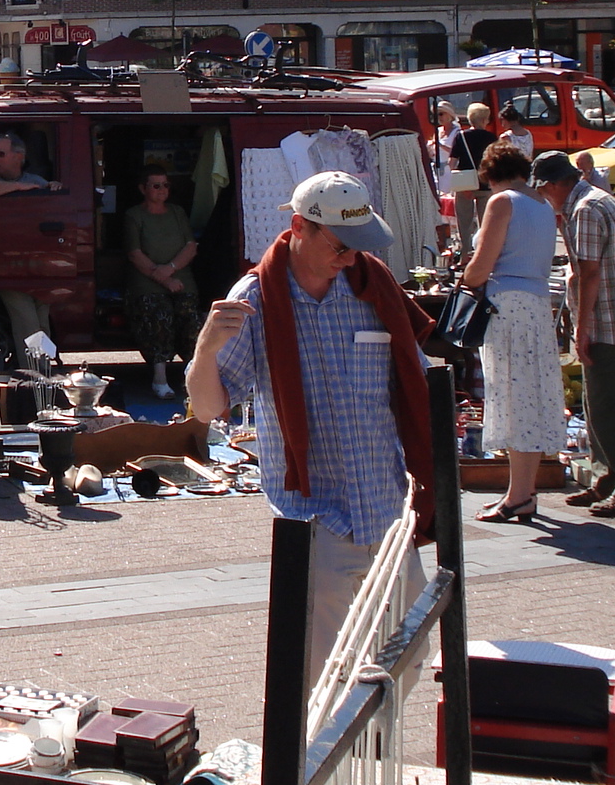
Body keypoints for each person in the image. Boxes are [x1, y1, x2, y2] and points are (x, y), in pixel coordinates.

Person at [186, 172, 436, 675]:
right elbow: (209, 409)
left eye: (358, 246)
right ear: (300, 226)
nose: (350, 259)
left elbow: (416, 379)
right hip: (316, 516)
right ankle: (314, 756)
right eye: (342, 246)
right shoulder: (255, 299)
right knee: (319, 673)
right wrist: (205, 351)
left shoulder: (372, 286)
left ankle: (373, 746)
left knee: (408, 655)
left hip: (385, 506)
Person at [531, 149, 615, 517]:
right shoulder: (598, 201)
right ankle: (604, 480)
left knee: (612, 409)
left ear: (553, 185)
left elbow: (589, 273)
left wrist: (582, 326)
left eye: (545, 191)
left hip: (607, 323)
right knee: (597, 406)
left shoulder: (586, 209)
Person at [460, 145, 564, 522]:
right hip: (536, 304)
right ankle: (522, 491)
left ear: (492, 174)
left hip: (508, 305)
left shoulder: (502, 202)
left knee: (515, 396)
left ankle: (519, 495)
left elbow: (482, 265)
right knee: (531, 396)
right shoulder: (541, 205)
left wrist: (466, 276)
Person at [0, 130, 66, 365]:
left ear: (19, 156)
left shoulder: (35, 181)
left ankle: (44, 374)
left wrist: (53, 187)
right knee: (27, 324)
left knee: (42, 322)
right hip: (8, 268)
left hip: (36, 267)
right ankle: (33, 378)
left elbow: (49, 193)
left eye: (1, 154)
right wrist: (18, 189)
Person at [125, 166, 199, 400]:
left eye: (166, 185)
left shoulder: (177, 212)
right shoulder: (134, 215)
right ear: (143, 189)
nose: (162, 190)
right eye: (156, 185)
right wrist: (165, 279)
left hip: (181, 280)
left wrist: (171, 269)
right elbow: (134, 253)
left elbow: (191, 246)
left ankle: (193, 379)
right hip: (148, 283)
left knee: (192, 323)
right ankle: (160, 380)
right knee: (159, 318)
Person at [449, 103, 498, 256]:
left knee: (464, 222)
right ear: (485, 120)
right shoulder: (491, 138)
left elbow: (452, 162)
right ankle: (483, 253)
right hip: (486, 182)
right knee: (486, 222)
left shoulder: (461, 136)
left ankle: (465, 252)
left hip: (466, 184)